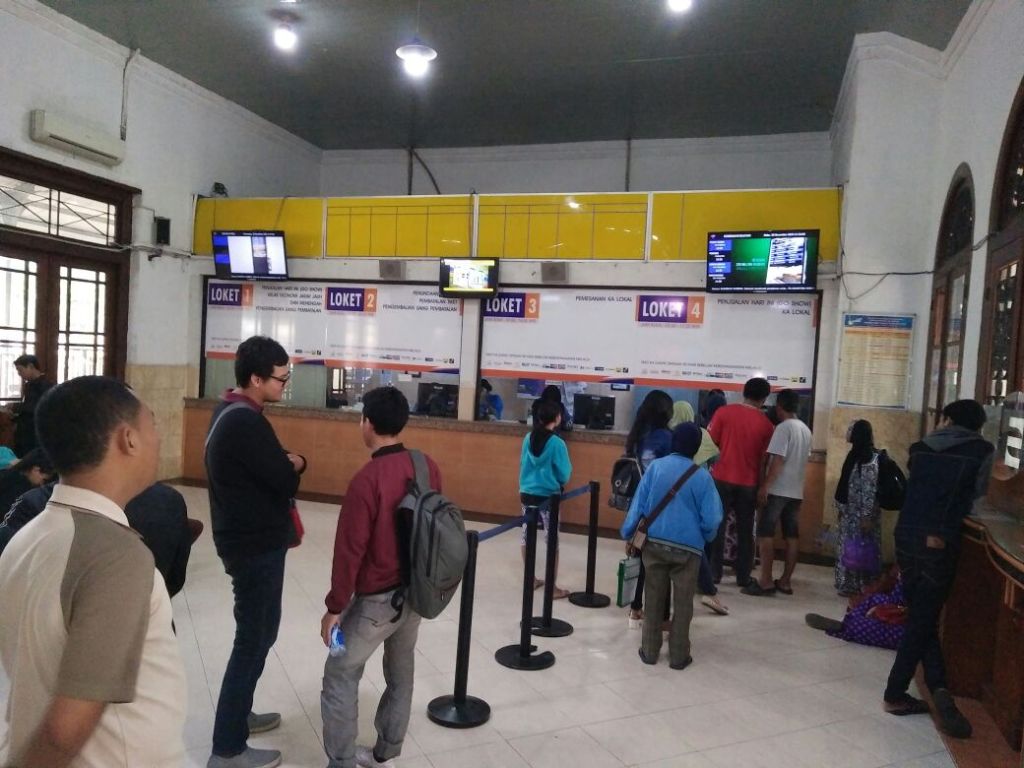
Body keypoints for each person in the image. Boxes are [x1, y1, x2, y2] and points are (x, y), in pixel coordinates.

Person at [0, 375, 186, 767]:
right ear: (128, 439)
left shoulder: (27, 537)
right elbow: (63, 731)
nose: (158, 438)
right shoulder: (115, 556)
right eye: (152, 424)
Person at [320, 386, 441, 768]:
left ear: (367, 423)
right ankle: (386, 748)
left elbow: (349, 551)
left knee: (340, 672)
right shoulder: (427, 466)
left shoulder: (367, 480)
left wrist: (334, 608)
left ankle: (341, 760)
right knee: (401, 671)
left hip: (376, 601)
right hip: (416, 593)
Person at [206, 336, 307, 768]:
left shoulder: (231, 411)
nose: (285, 385)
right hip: (253, 546)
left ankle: (240, 713)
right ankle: (228, 748)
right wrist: (298, 463)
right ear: (255, 379)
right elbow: (283, 478)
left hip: (248, 539)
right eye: (281, 379)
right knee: (253, 639)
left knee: (261, 633)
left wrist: (284, 462)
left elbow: (264, 466)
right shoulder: (245, 422)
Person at [883, 399, 994, 739]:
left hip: (905, 536)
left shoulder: (920, 448)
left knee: (923, 617)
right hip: (939, 541)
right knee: (922, 619)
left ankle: (939, 689)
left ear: (946, 419)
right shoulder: (982, 451)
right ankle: (895, 693)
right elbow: (979, 498)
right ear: (978, 425)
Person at [620, 423, 723, 669]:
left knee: (653, 597)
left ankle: (649, 651)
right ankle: (678, 656)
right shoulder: (703, 477)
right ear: (696, 448)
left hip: (654, 543)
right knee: (684, 602)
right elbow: (713, 519)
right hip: (688, 550)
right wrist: (704, 537)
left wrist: (627, 531)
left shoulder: (656, 468)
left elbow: (639, 504)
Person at [0, 479, 199, 597]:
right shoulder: (168, 500)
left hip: (53, 644)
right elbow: (175, 580)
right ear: (128, 440)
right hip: (149, 636)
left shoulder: (32, 504)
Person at [744, 389, 812, 597]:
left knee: (765, 533)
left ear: (780, 406)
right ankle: (785, 581)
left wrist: (765, 486)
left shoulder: (783, 428)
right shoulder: (805, 430)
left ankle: (765, 581)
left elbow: (778, 460)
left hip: (778, 489)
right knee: (791, 536)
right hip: (796, 491)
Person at [707, 377, 774, 587]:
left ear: (743, 392)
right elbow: (764, 460)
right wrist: (762, 486)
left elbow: (711, 442)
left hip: (721, 477)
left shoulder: (723, 413)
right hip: (749, 482)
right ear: (764, 399)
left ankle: (714, 573)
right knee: (745, 530)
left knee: (717, 526)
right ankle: (743, 576)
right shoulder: (767, 426)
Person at [624, 390, 675, 626]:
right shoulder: (666, 437)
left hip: (640, 505)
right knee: (662, 562)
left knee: (640, 555)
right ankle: (662, 618)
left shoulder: (637, 435)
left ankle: (635, 608)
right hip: (661, 507)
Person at [519, 399, 573, 599]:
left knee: (526, 536)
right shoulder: (557, 443)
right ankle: (552, 588)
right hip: (549, 497)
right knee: (552, 541)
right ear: (557, 418)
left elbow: (523, 463)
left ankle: (530, 579)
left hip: (527, 494)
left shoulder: (528, 438)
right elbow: (564, 474)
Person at [834, 420, 884, 596]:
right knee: (849, 547)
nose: (847, 432)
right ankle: (847, 584)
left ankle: (862, 586)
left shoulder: (869, 458)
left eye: (850, 429)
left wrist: (866, 516)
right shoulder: (853, 455)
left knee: (862, 548)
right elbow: (845, 484)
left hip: (861, 515)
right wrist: (841, 508)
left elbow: (869, 489)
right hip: (850, 512)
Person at [806, 566, 906, 650]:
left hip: (908, 623)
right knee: (873, 599)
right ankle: (852, 619)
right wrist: (884, 607)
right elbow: (897, 597)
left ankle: (847, 626)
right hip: (900, 605)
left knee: (875, 629)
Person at [5, 354, 53, 456]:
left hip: (35, 433)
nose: (19, 374)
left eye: (20, 370)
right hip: (25, 432)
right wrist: (14, 417)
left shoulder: (46, 385)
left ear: (31, 366)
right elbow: (27, 407)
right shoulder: (29, 385)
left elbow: (38, 407)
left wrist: (15, 407)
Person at [0, 447, 51, 514]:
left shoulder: (9, 474)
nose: (42, 484)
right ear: (36, 470)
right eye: (44, 480)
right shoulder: (19, 486)